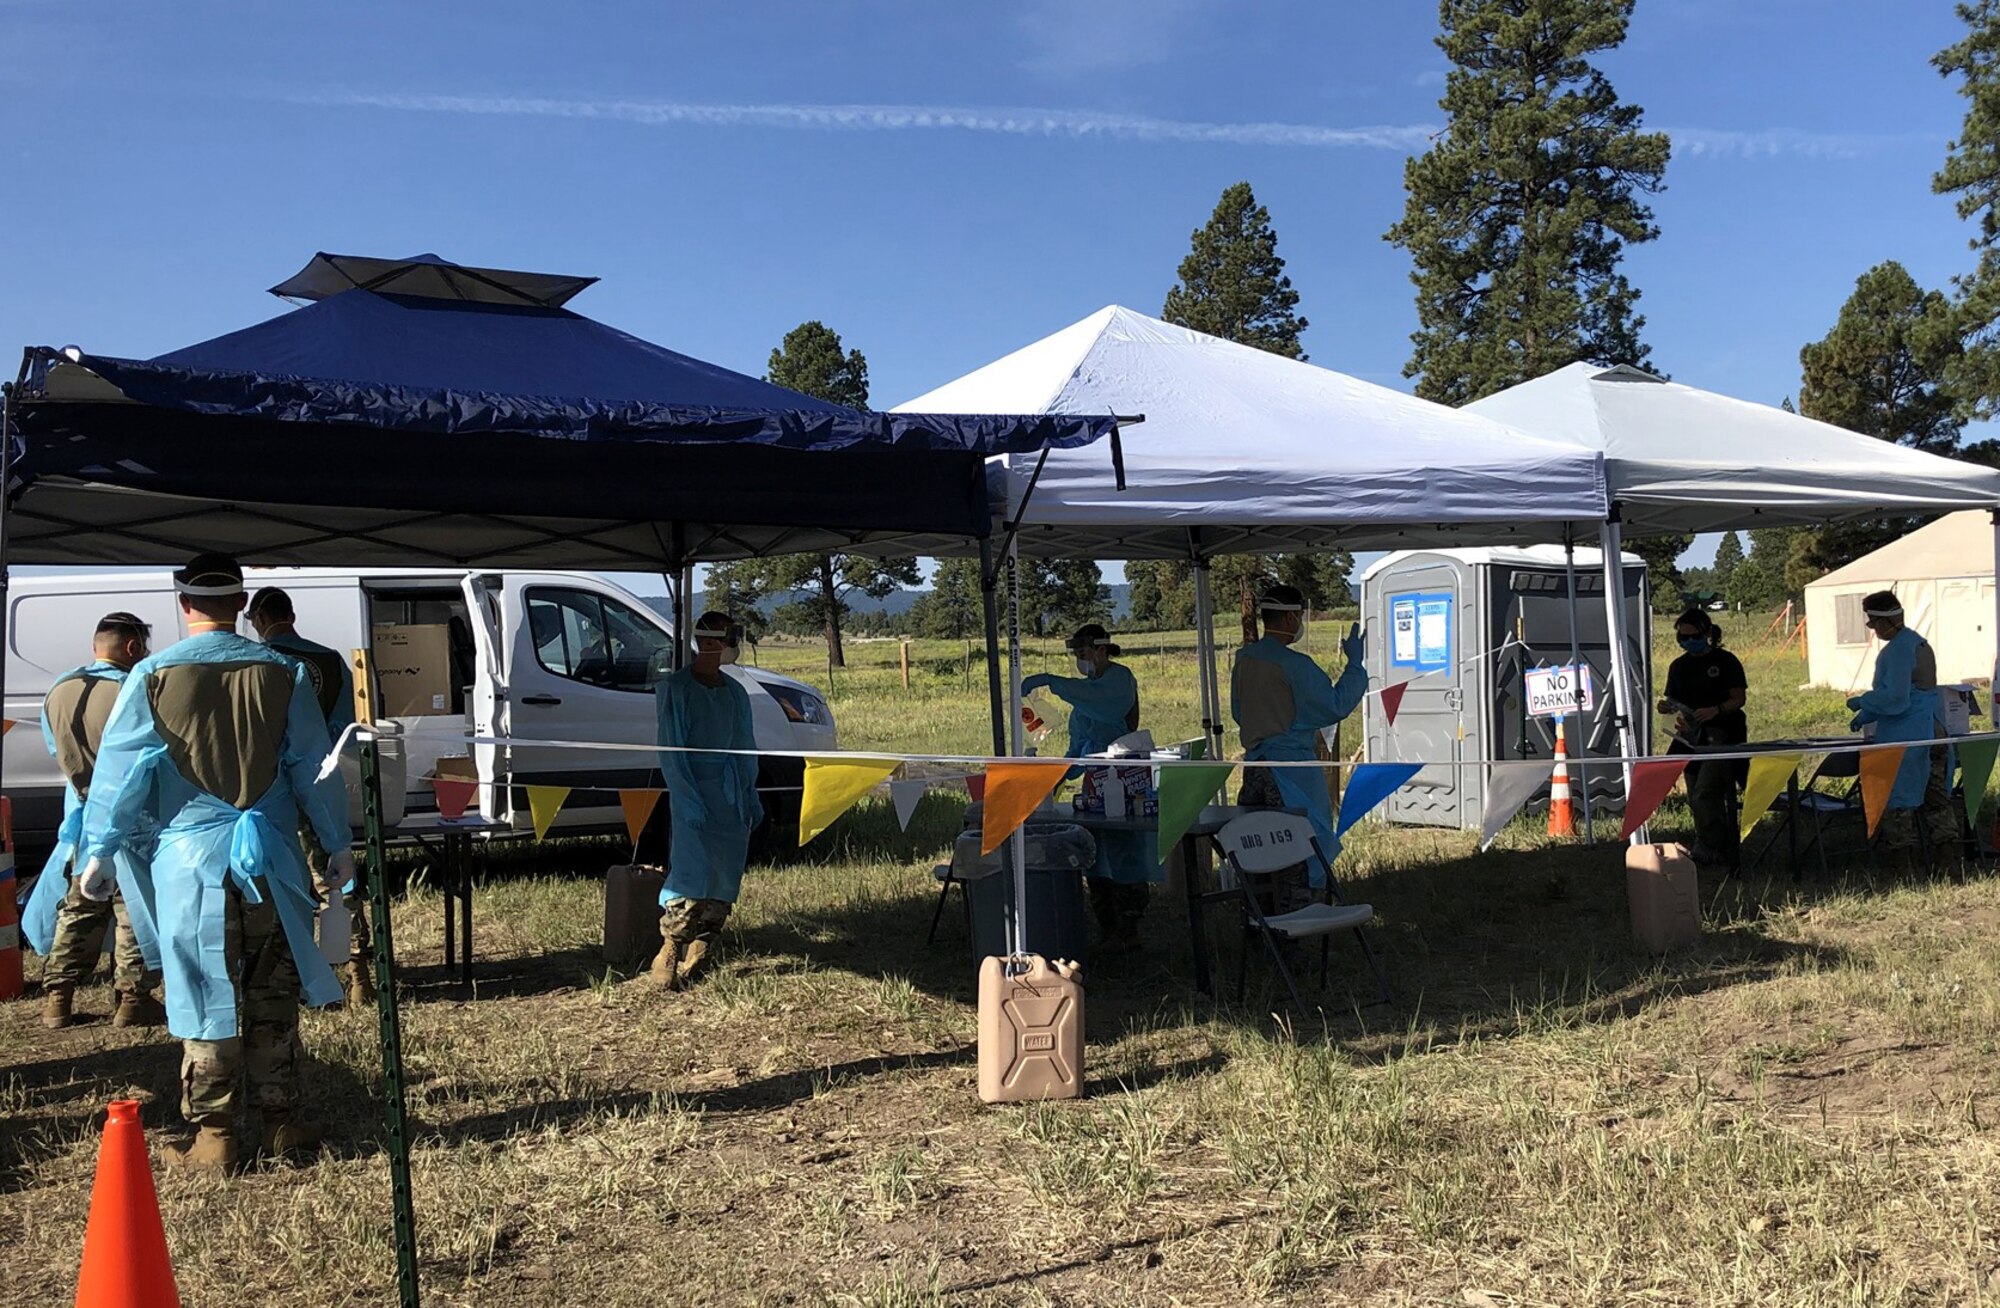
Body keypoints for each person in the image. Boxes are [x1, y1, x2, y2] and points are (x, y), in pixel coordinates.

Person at [81, 553, 352, 1170]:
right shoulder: (286, 672)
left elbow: (119, 777)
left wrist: (98, 850)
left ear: (183, 603)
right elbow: (314, 767)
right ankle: (281, 1119)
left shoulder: (149, 675)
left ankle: (215, 1135)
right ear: (241, 604)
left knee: (204, 990)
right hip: (272, 862)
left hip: (190, 863)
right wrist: (336, 841)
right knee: (272, 992)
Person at [21, 613, 164, 1029]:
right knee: (131, 906)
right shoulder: (132, 689)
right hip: (132, 810)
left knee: (80, 901)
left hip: (81, 807)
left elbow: (56, 751)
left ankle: (58, 998)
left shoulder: (60, 688)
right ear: (134, 648)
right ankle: (134, 998)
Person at [247, 585, 373, 1006]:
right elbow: (345, 733)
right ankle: (358, 976)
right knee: (340, 881)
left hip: (269, 793)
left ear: (261, 620)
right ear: (292, 614)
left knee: (285, 887)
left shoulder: (257, 664)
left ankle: (300, 976)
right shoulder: (330, 661)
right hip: (321, 783)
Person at [1231, 585, 1367, 911]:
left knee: (1258, 850)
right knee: (1299, 853)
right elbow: (1333, 705)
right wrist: (1355, 666)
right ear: (1292, 616)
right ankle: (1298, 924)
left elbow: (1239, 711)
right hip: (1291, 774)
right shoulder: (1294, 665)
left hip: (1255, 769)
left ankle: (1258, 920)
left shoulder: (1244, 659)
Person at [1023, 624, 1158, 950]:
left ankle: (1130, 928)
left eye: (1083, 654)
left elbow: (1104, 705)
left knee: (1127, 853)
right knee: (1096, 853)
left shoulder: (1119, 680)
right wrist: (1057, 773)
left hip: (1126, 779)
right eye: (1076, 656)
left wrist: (1051, 682)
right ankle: (1107, 929)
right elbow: (1080, 746)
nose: (1080, 662)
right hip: (1094, 785)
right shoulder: (1085, 697)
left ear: (1101, 650)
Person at [650, 611, 763, 990]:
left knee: (724, 872)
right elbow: (672, 751)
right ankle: (670, 946)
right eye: (729, 635)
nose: (733, 643)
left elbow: (745, 746)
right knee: (691, 872)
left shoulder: (734, 692)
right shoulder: (677, 690)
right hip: (693, 790)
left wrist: (749, 793)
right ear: (710, 641)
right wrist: (687, 799)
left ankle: (703, 944)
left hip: (729, 792)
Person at [1847, 590, 1957, 870]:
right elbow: (1914, 691)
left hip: (1906, 734)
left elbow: (1896, 699)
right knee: (1937, 798)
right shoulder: (1920, 644)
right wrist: (1869, 712)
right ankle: (1948, 862)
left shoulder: (1896, 651)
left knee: (1899, 800)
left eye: (1872, 624)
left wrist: (1865, 702)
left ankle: (1903, 866)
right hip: (1933, 729)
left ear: (1881, 622)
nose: (1874, 630)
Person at [1657, 608, 1749, 871]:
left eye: (1693, 636)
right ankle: (1712, 845)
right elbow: (1673, 700)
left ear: (1707, 633)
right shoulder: (1678, 666)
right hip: (1689, 737)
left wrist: (1716, 710)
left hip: (1723, 735)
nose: (1688, 642)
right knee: (1696, 794)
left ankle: (1712, 847)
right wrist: (1667, 707)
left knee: (1706, 793)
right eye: (1682, 638)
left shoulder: (1726, 661)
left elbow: (1738, 698)